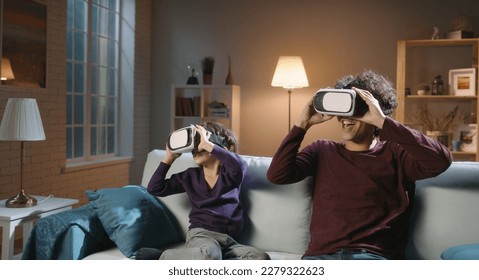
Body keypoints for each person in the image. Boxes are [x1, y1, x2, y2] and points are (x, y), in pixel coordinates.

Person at [266, 69, 452, 260]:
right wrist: (302, 123)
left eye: (357, 109)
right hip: (322, 258)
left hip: (373, 258)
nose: (346, 117)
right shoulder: (321, 151)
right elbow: (277, 175)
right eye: (343, 108)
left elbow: (440, 161)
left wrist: (383, 122)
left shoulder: (396, 154)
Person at [137, 122, 269, 260]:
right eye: (195, 145)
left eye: (202, 143)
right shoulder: (189, 176)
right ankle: (160, 257)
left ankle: (207, 261)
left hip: (229, 242)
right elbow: (155, 188)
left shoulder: (231, 175)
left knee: (260, 257)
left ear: (220, 149)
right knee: (209, 254)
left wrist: (207, 144)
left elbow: (239, 165)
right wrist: (169, 159)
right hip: (202, 235)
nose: (196, 148)